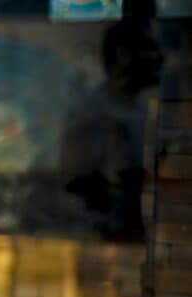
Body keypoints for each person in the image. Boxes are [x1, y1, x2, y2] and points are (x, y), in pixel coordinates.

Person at [58, 16, 163, 241]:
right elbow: (75, 193)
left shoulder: (142, 111)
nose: (159, 58)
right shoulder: (92, 115)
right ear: (123, 55)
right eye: (150, 48)